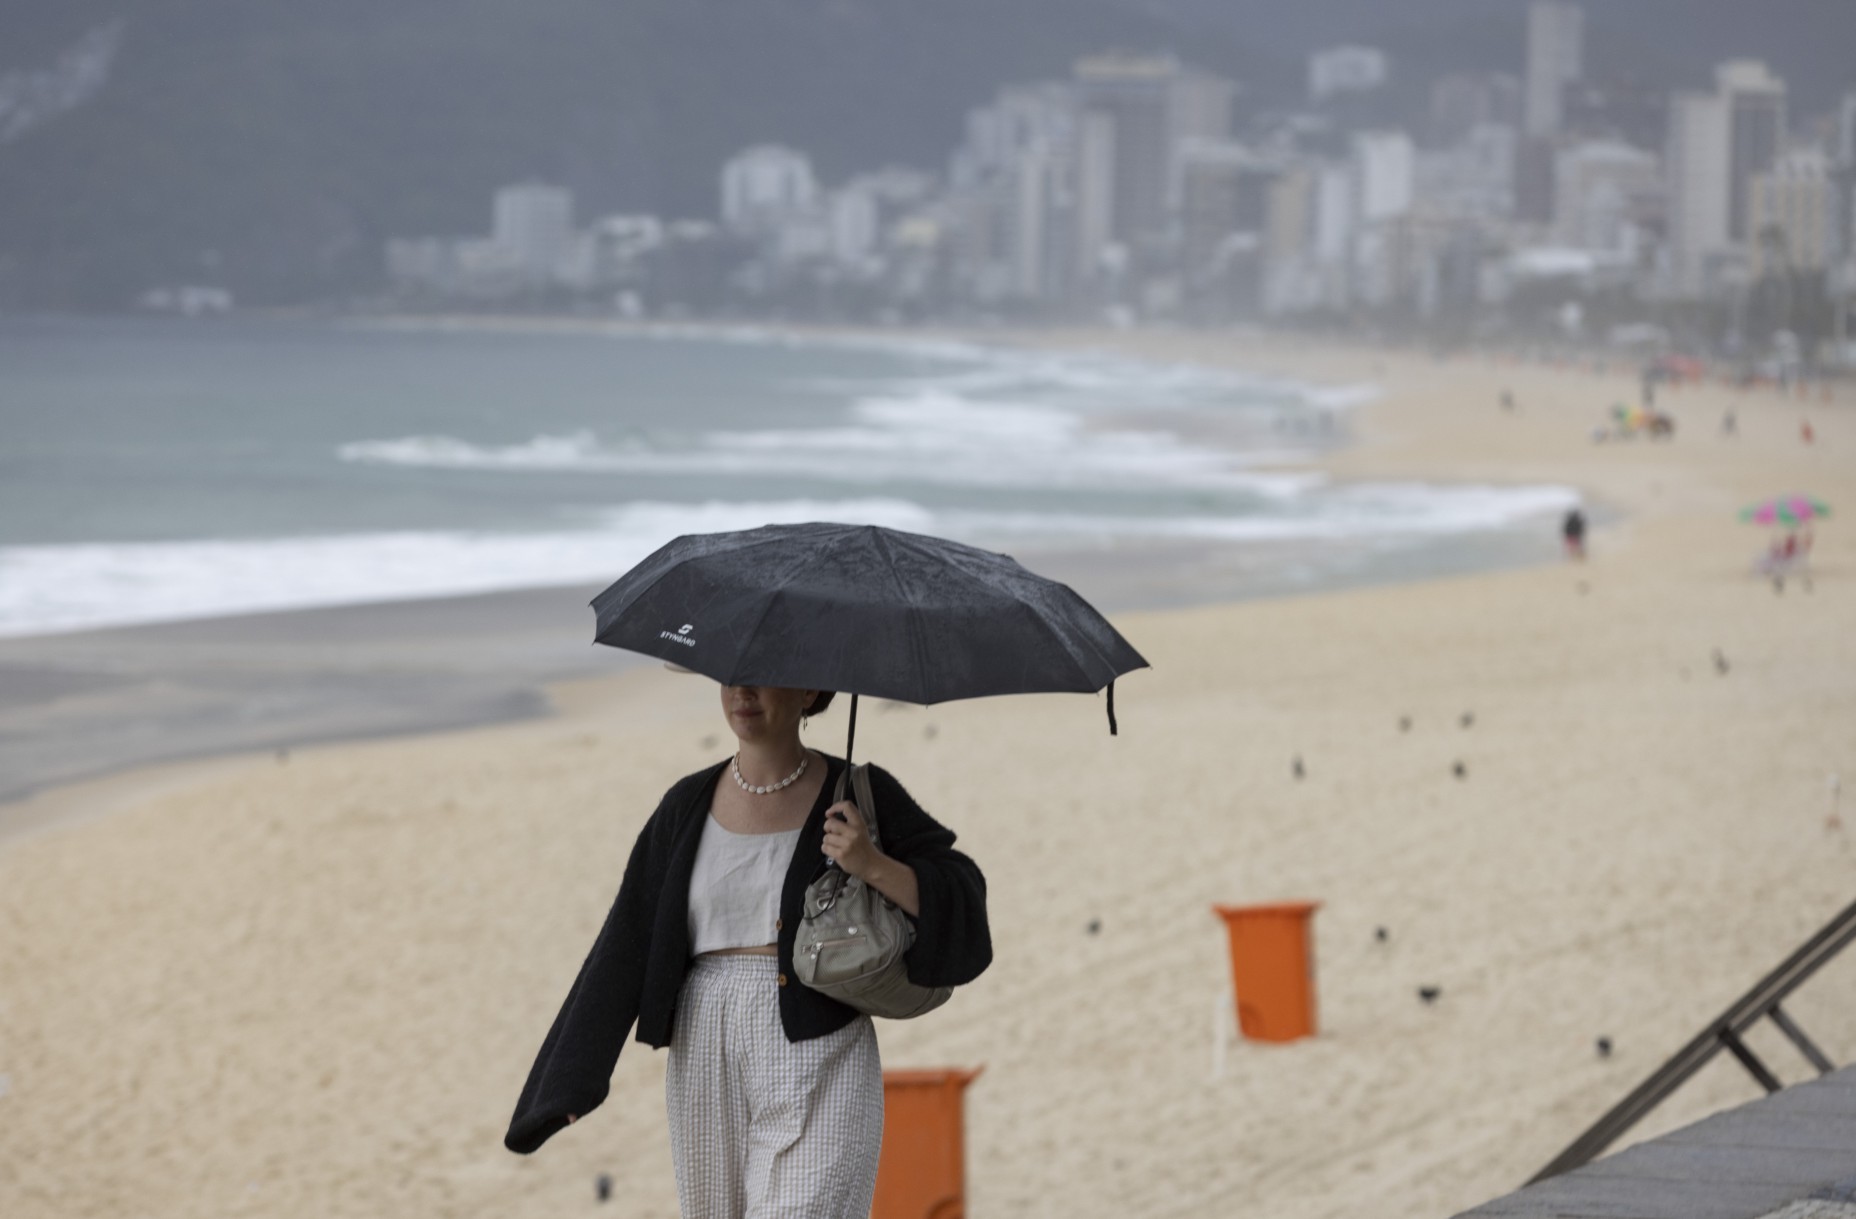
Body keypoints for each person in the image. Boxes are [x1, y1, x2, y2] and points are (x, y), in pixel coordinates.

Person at [504, 683, 991, 1218]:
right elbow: (625, 939)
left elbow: (962, 895)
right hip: (704, 1049)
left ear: (808, 691)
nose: (743, 690)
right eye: (731, 673)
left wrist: (872, 864)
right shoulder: (685, 804)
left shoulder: (858, 793)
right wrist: (567, 1085)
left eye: (764, 672)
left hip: (821, 1045)